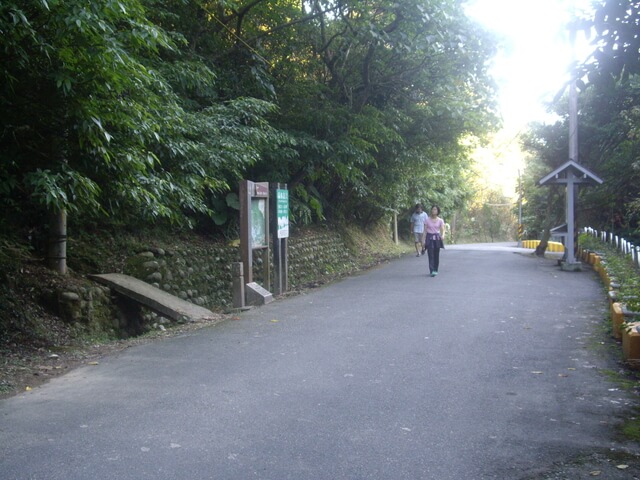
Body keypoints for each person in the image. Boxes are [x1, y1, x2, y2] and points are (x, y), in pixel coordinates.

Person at [424, 205, 445, 276]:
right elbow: (425, 230)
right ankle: (432, 270)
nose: (434, 211)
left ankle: (436, 269)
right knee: (430, 254)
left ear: (438, 211)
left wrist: (443, 235)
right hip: (429, 238)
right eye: (433, 209)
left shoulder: (440, 220)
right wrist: (423, 240)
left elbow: (443, 229)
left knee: (436, 254)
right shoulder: (427, 220)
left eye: (435, 209)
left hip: (437, 238)